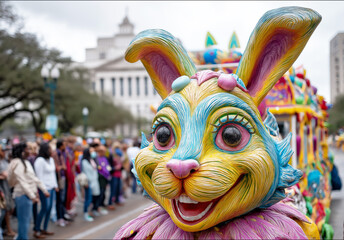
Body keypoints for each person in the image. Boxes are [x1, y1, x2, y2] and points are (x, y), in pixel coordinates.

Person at [7, 143, 49, 240]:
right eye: (27, 149)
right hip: (22, 195)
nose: (30, 151)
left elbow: (33, 178)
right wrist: (32, 196)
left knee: (25, 221)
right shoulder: (17, 163)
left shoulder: (25, 162)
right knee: (24, 221)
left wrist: (44, 190)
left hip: (27, 195)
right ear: (22, 151)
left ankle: (21, 237)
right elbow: (22, 181)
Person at [34, 143, 58, 238]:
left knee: (49, 209)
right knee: (44, 208)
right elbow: (38, 177)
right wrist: (43, 190)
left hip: (51, 187)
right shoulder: (39, 161)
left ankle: (45, 228)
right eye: (50, 149)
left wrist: (55, 185)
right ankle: (37, 229)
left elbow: (53, 174)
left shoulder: (51, 159)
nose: (51, 151)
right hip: (45, 188)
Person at [52, 139, 68, 227]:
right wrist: (62, 167)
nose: (65, 146)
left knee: (62, 199)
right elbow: (56, 168)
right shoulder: (56, 153)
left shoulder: (61, 152)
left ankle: (62, 216)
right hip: (58, 179)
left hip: (62, 177)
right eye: (64, 144)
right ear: (60, 145)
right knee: (59, 199)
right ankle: (59, 218)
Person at [81, 148, 100, 221]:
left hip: (94, 181)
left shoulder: (91, 160)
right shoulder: (84, 161)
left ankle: (92, 211)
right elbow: (86, 173)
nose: (93, 153)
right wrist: (88, 182)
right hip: (88, 182)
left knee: (94, 197)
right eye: (91, 152)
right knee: (88, 199)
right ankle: (86, 213)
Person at [95, 145, 110, 215]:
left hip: (105, 177)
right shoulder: (97, 159)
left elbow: (107, 166)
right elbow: (99, 168)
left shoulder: (104, 158)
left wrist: (107, 173)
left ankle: (102, 204)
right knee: (100, 192)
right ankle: (98, 206)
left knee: (104, 192)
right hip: (101, 178)